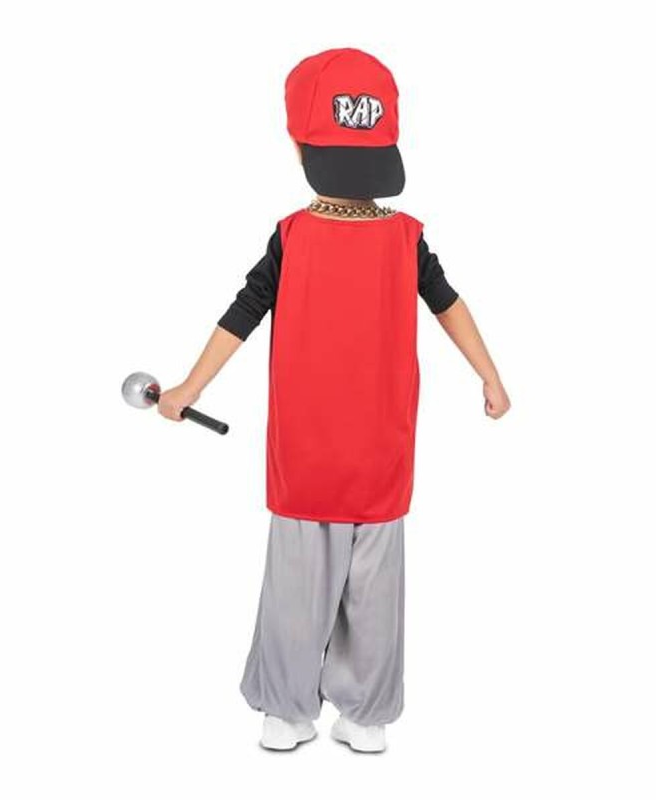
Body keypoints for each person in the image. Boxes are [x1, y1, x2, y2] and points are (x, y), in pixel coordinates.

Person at [158, 47, 510, 753]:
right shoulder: (406, 238)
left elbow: (242, 314)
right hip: (382, 451)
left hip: (308, 452)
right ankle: (366, 716)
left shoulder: (294, 236)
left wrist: (188, 390)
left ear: (299, 144)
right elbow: (449, 305)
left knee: (298, 583)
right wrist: (490, 377)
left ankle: (286, 712)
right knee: (375, 586)